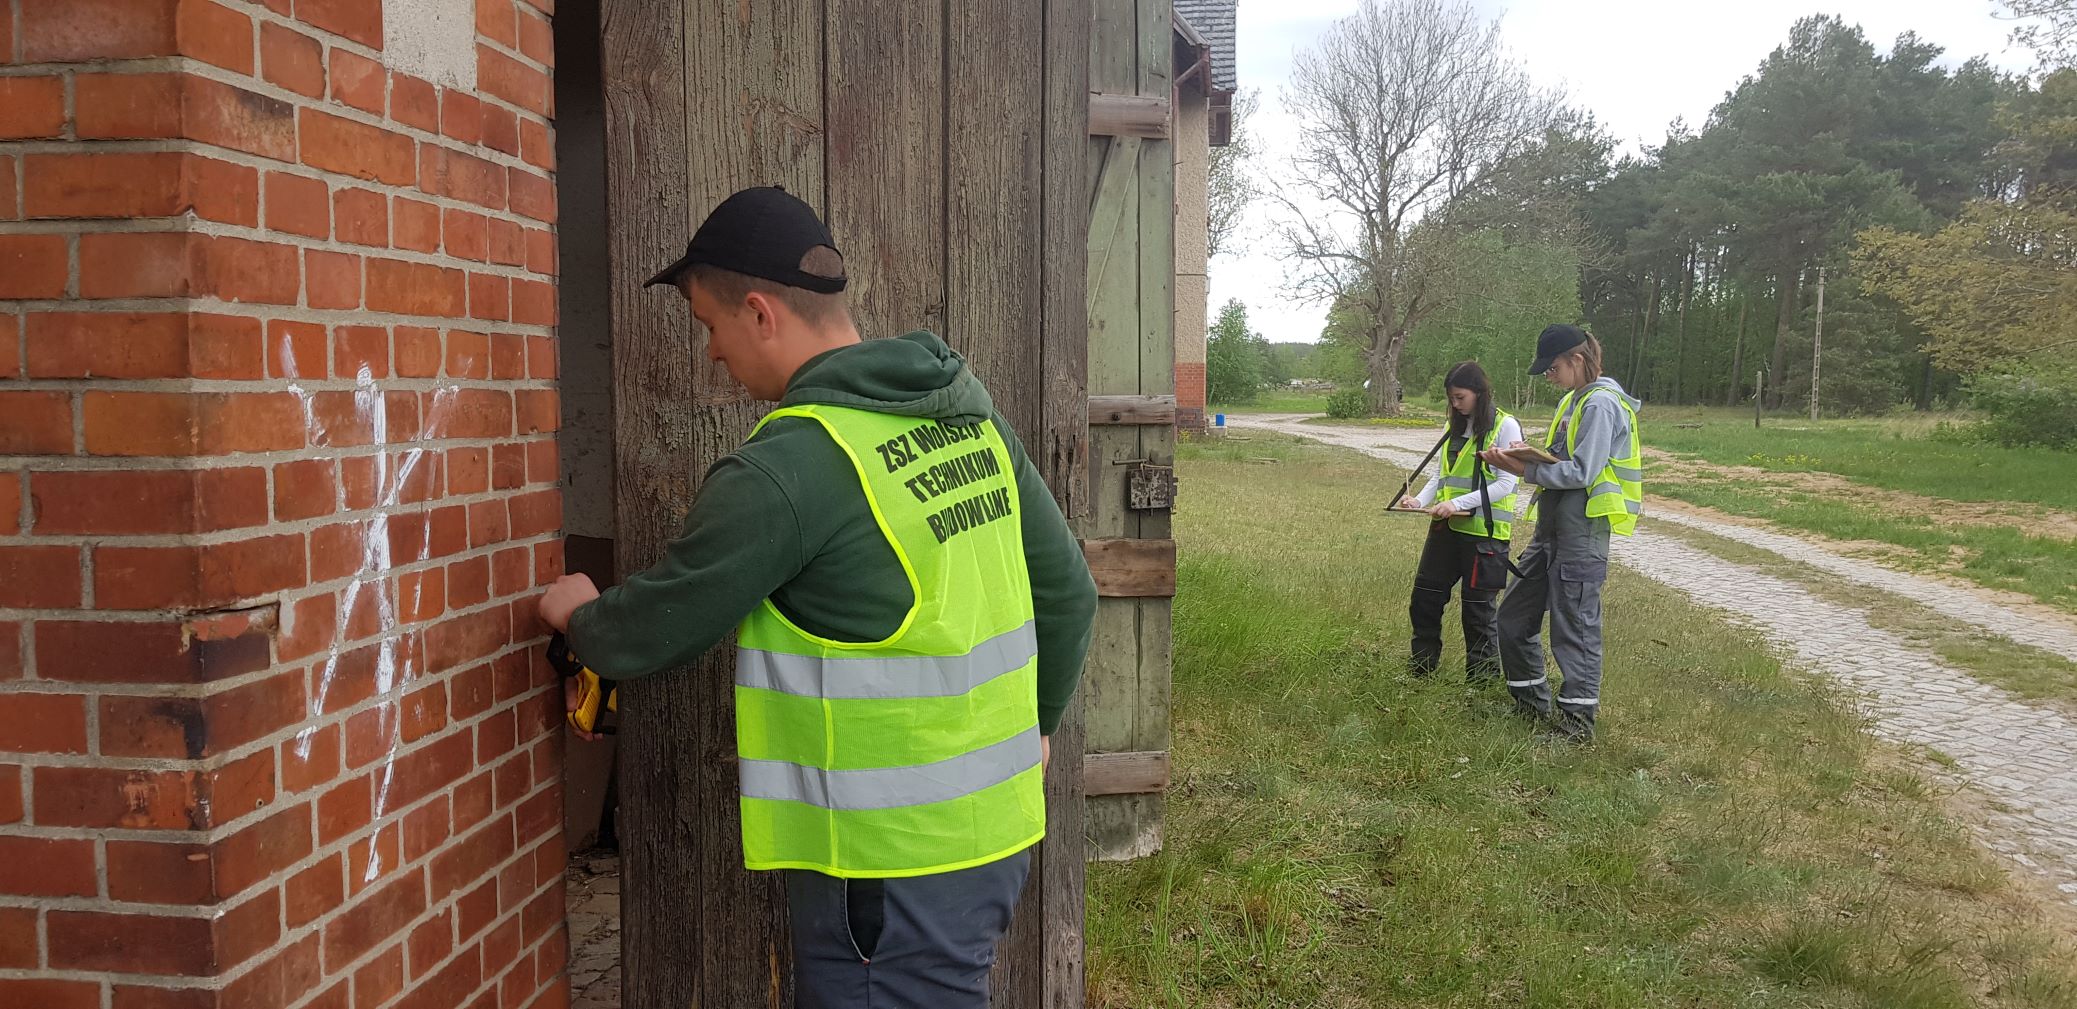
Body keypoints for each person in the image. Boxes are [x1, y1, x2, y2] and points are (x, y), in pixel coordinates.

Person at [537, 186, 1099, 1007]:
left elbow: (651, 628)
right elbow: (1070, 594)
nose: (711, 356)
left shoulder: (792, 463)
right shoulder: (968, 421)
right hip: (992, 835)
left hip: (884, 863)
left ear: (760, 312)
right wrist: (1038, 731)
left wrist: (577, 612)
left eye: (710, 328)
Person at [1479, 325, 1642, 741]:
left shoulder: (1602, 404)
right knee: (1512, 618)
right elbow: (1560, 459)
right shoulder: (1575, 401)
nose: (1549, 377)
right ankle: (1531, 706)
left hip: (1582, 534)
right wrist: (1524, 456)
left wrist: (1522, 468)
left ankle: (1576, 727)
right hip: (1550, 533)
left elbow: (1581, 471)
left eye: (1552, 369)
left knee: (1575, 630)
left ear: (1577, 360)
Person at [1395, 361, 1521, 680]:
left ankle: (1480, 684)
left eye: (1460, 397)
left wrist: (1457, 503)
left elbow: (1507, 483)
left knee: (1477, 613)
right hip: (1445, 531)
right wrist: (1419, 501)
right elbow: (1442, 475)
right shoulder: (1452, 426)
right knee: (1424, 598)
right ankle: (1421, 669)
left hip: (1484, 535)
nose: (1455, 404)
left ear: (1480, 393)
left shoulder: (1505, 426)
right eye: (1451, 397)